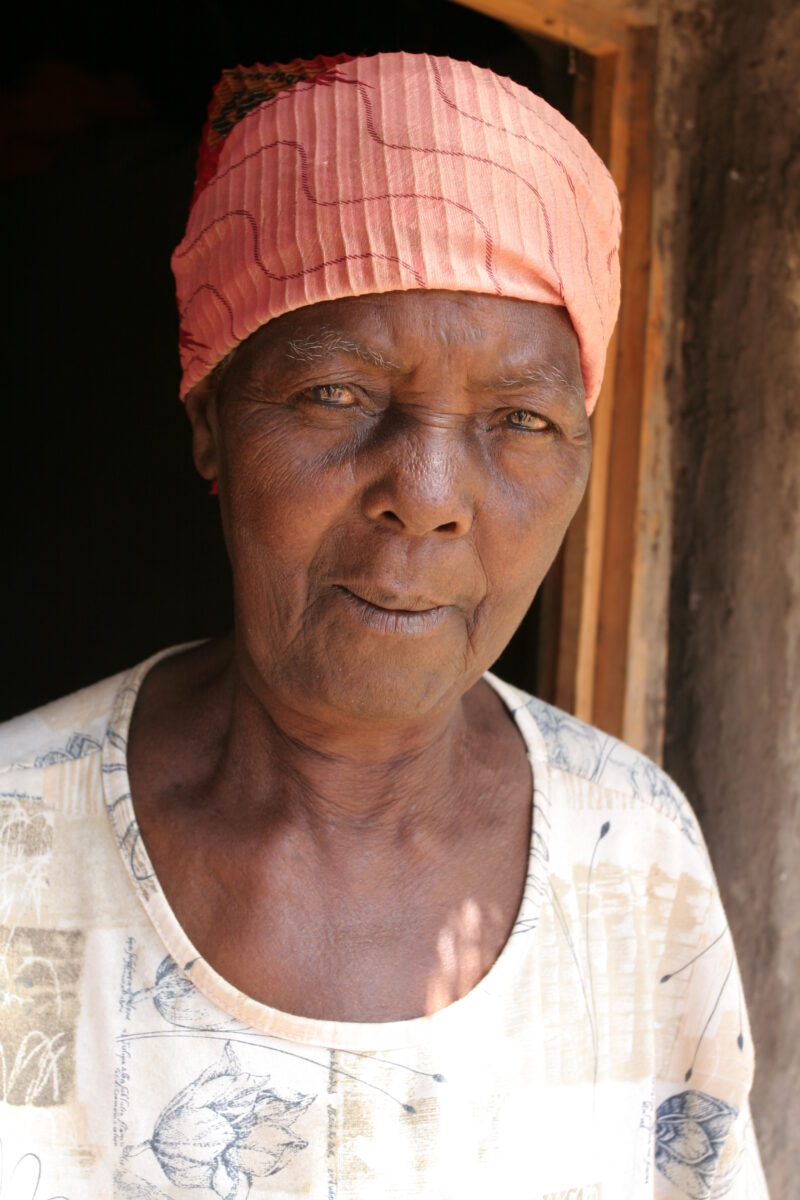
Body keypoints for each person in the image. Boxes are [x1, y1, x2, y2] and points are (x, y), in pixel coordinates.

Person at [0, 52, 768, 1199]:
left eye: (519, 418)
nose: (426, 492)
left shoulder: (634, 858)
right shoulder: (20, 847)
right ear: (210, 423)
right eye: (336, 395)